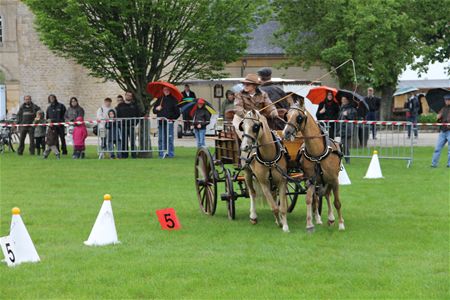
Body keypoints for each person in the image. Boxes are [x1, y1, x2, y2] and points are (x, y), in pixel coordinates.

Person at [153, 86, 180, 158]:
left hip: (169, 123)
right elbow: (154, 111)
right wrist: (157, 108)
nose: (166, 91)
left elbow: (177, 113)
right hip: (161, 123)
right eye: (164, 89)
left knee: (169, 139)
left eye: (167, 89)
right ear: (162, 90)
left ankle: (170, 154)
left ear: (170, 90)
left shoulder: (174, 100)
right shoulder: (159, 99)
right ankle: (161, 154)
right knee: (161, 139)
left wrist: (171, 118)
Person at [116, 91, 140, 158]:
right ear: (125, 96)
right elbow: (117, 116)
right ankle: (124, 155)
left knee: (133, 142)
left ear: (131, 97)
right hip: (123, 126)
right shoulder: (120, 105)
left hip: (131, 126)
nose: (128, 96)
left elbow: (138, 116)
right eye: (127, 95)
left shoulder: (134, 106)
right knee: (124, 142)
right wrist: (119, 124)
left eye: (130, 95)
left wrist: (135, 124)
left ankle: (134, 155)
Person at [431, 94, 450, 168]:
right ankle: (434, 164)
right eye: (445, 100)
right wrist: (438, 117)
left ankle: (449, 165)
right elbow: (438, 119)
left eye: (448, 100)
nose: (446, 101)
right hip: (442, 131)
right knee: (437, 149)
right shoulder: (443, 108)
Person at [338, 96, 357, 163]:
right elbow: (339, 119)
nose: (343, 101)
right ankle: (344, 158)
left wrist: (347, 115)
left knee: (344, 145)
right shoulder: (341, 108)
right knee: (342, 144)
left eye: (344, 99)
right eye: (342, 99)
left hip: (347, 129)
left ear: (347, 101)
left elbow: (353, 118)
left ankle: (347, 159)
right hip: (342, 129)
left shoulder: (352, 109)